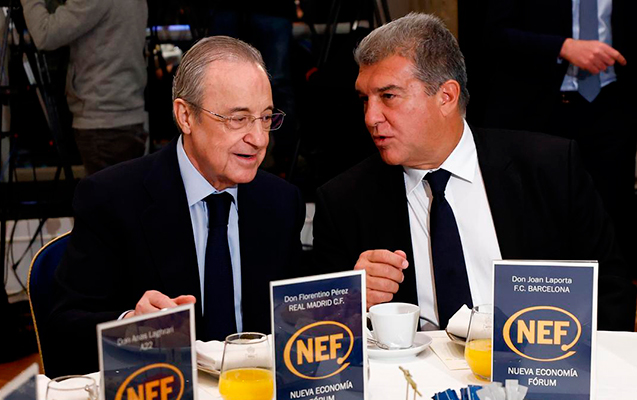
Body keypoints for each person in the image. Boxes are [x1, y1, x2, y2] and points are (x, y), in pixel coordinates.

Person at [312, 13, 636, 333]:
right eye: (364, 99)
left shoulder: (548, 169)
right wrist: (350, 300)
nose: (371, 117)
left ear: (446, 96)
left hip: (536, 360)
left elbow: (610, 291)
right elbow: (321, 333)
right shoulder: (343, 202)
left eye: (388, 96)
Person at [43, 36, 306, 377]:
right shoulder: (111, 199)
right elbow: (64, 327)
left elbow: (292, 322)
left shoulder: (281, 202)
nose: (259, 138)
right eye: (238, 119)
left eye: (266, 118)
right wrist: (130, 325)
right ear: (185, 116)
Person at [480, 0, 637, 277]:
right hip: (539, 107)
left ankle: (611, 295)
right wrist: (563, 47)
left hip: (612, 104)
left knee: (612, 211)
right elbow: (491, 32)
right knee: (540, 214)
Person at [21, 0, 148, 175]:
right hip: (127, 113)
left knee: (106, 191)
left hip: (101, 117)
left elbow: (45, 34)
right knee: (124, 189)